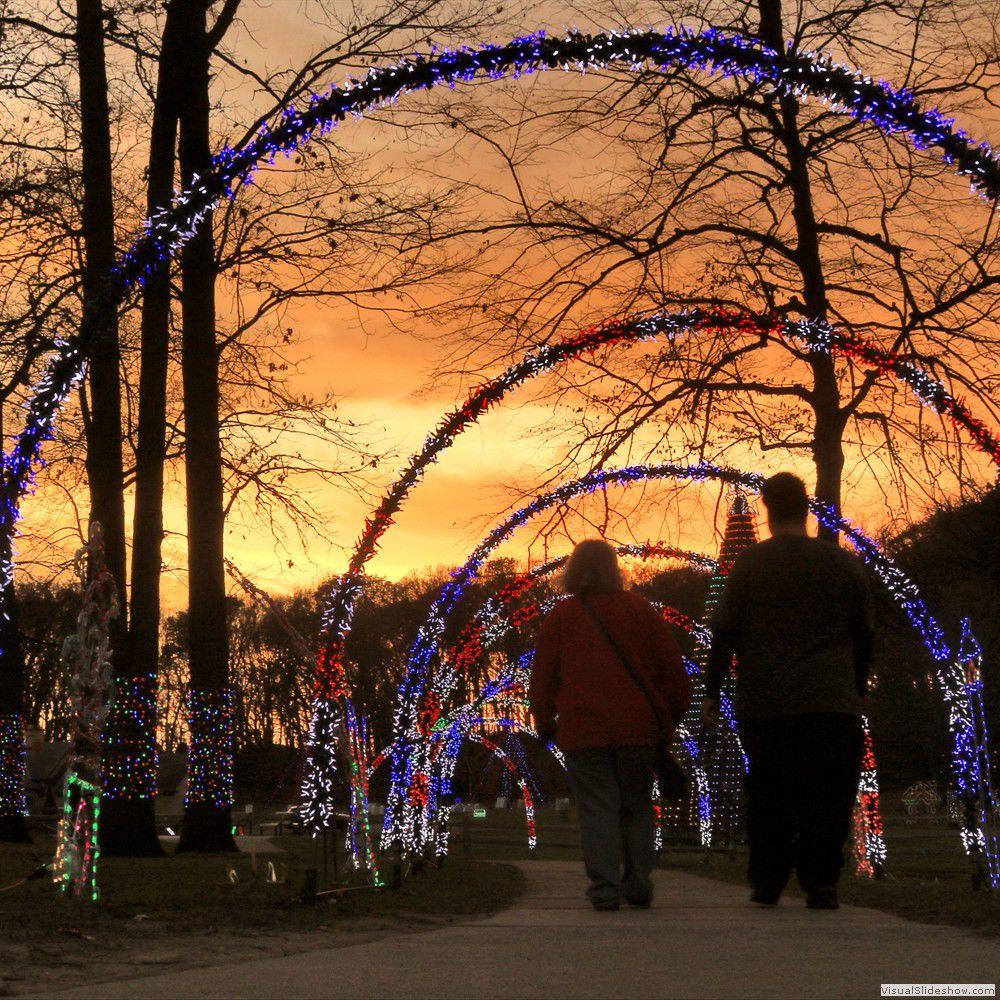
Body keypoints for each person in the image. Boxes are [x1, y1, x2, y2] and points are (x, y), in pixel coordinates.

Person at [702, 473, 874, 910]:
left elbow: (725, 633)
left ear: (768, 510)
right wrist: (857, 685)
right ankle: (821, 881)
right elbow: (864, 633)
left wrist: (711, 692)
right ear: (806, 508)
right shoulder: (841, 563)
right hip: (831, 698)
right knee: (827, 792)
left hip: (767, 699)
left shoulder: (750, 565)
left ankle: (769, 878)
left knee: (770, 790)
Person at [529, 539, 691, 911]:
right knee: (636, 804)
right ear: (614, 570)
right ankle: (638, 881)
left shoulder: (561, 618)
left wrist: (544, 721)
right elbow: (673, 672)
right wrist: (670, 718)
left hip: (583, 731)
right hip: (638, 730)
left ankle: (604, 887)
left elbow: (543, 678)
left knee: (597, 808)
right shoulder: (640, 610)